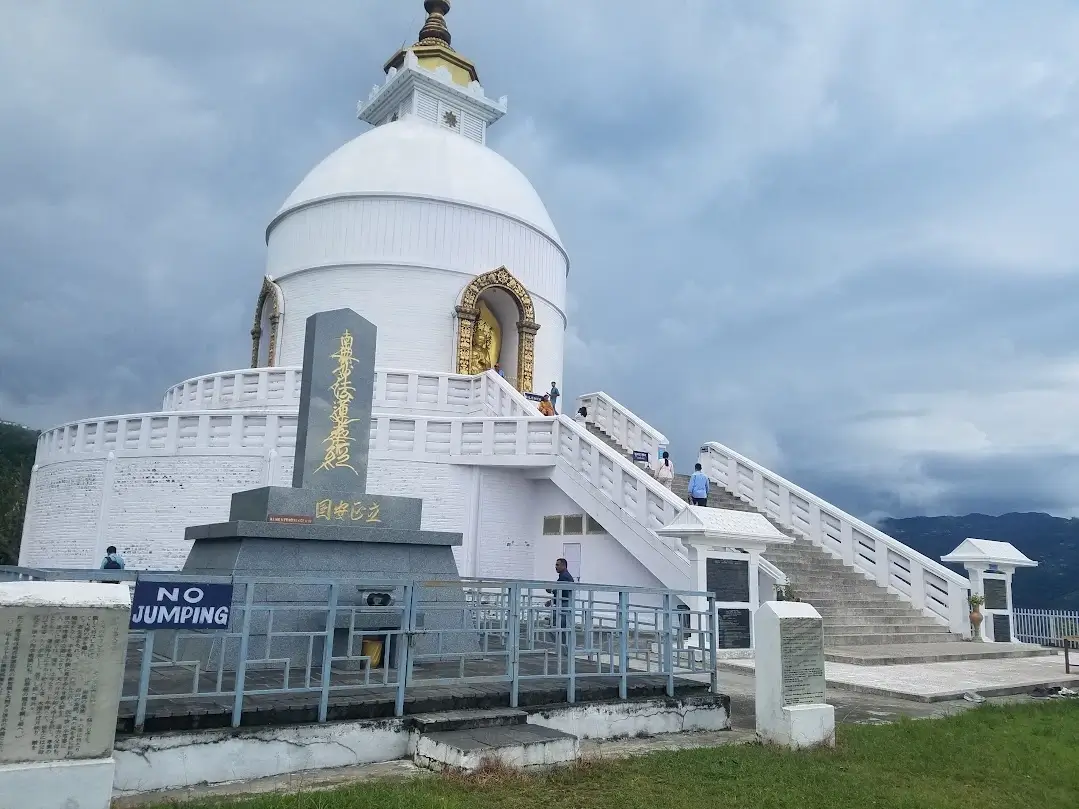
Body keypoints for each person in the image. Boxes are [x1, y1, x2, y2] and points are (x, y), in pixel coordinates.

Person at [545, 558, 575, 653]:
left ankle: (564, 649)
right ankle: (564, 648)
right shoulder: (564, 576)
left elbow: (563, 591)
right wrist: (552, 600)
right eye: (556, 565)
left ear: (563, 566)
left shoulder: (564, 577)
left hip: (564, 605)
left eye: (558, 565)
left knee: (555, 627)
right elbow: (562, 593)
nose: (556, 567)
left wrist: (552, 591)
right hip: (563, 604)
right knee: (560, 628)